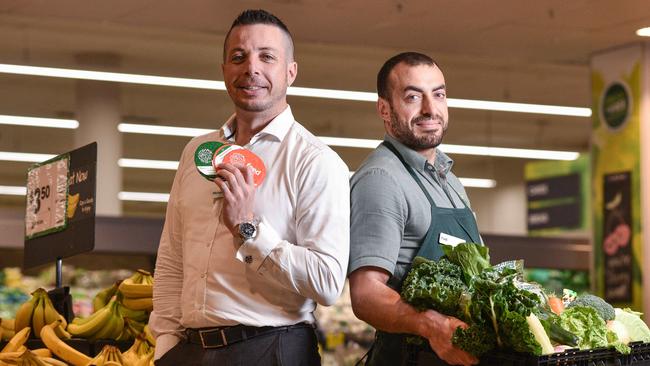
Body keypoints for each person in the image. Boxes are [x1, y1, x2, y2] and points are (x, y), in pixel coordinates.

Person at [150, 9, 350, 366]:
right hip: (189, 352)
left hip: (271, 349)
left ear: (291, 71)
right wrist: (166, 344)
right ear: (224, 69)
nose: (251, 68)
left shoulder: (315, 161)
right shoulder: (196, 152)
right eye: (238, 57)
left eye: (267, 57)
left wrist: (248, 229)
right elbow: (171, 260)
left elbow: (327, 281)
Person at [348, 52, 481, 366]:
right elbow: (366, 294)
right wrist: (432, 325)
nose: (429, 109)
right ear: (384, 109)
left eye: (438, 95)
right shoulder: (382, 179)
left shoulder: (452, 183)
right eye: (412, 97)